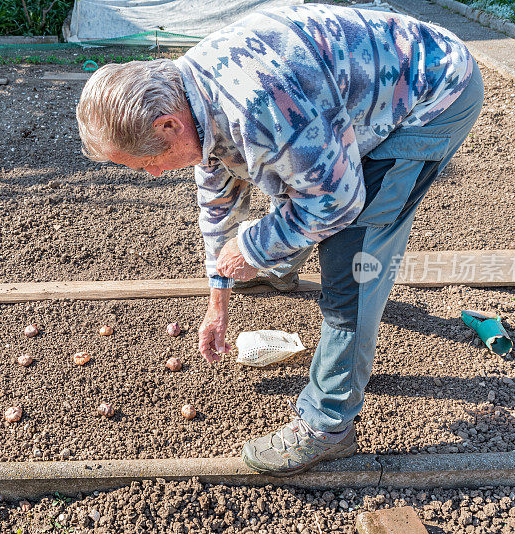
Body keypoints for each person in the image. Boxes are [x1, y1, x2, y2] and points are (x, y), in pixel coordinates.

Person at [76, 3, 483, 476]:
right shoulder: (190, 100)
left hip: (430, 94)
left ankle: (328, 425)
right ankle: (279, 264)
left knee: (354, 257)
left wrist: (252, 249)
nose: (153, 173)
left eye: (146, 163)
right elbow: (219, 205)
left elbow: (338, 200)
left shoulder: (256, 108)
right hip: (343, 95)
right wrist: (218, 299)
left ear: (169, 126)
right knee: (296, 178)